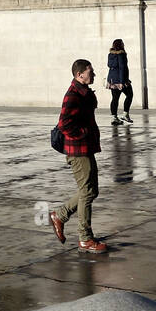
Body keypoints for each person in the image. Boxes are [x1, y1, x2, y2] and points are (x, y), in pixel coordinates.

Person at [49, 59, 106, 254]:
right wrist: (82, 133)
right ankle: (85, 238)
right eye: (90, 71)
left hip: (86, 148)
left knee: (92, 190)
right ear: (79, 74)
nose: (94, 74)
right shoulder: (72, 95)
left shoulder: (84, 93)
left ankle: (60, 215)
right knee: (87, 192)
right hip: (77, 150)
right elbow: (64, 124)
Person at [106, 39, 133, 123]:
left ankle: (114, 117)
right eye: (122, 43)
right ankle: (125, 115)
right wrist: (122, 82)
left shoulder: (110, 54)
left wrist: (109, 80)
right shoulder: (121, 54)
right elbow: (122, 68)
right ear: (120, 45)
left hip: (113, 80)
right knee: (130, 95)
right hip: (122, 80)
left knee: (115, 99)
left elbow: (110, 67)